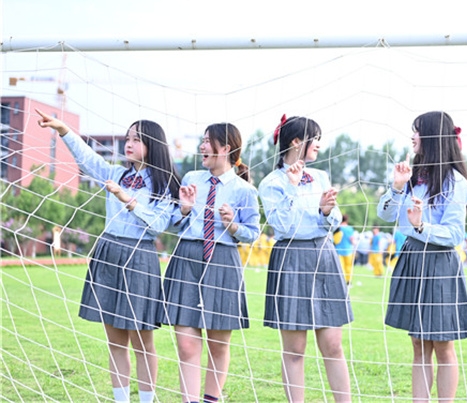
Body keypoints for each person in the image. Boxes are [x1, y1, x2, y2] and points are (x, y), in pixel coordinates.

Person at [37, 110, 180, 403]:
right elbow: (87, 158)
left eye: (136, 139)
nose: (129, 143)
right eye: (127, 138)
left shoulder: (163, 184)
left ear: (152, 144)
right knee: (115, 341)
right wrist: (63, 130)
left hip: (139, 257)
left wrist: (128, 200)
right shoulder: (116, 174)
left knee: (143, 342)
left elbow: (158, 225)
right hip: (108, 253)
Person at [377, 111, 467, 402]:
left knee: (443, 345)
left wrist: (421, 226)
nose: (412, 136)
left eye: (417, 131)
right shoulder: (412, 177)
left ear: (432, 136)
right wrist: (396, 186)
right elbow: (385, 215)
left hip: (440, 262)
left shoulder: (456, 182)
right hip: (412, 258)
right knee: (418, 343)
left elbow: (455, 234)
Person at [161, 123, 260, 403]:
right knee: (186, 344)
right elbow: (173, 222)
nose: (202, 146)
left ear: (225, 148)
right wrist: (184, 209)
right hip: (187, 258)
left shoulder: (244, 190)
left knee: (218, 344)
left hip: (223, 261)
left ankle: (210, 399)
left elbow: (253, 233)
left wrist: (232, 225)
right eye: (202, 141)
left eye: (207, 141)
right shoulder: (192, 178)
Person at [259, 114, 352, 402]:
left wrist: (325, 211)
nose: (319, 145)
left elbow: (334, 220)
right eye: (316, 139)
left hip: (324, 256)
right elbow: (284, 227)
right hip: (291, 259)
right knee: (295, 349)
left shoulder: (320, 176)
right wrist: (292, 186)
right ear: (296, 142)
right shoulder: (271, 183)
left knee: (333, 345)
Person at [333, 214, 357, 285]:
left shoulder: (337, 228)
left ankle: (342, 281)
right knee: (348, 266)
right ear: (347, 220)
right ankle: (349, 281)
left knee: (341, 267)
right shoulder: (350, 228)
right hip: (348, 250)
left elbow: (334, 239)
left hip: (338, 250)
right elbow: (352, 240)